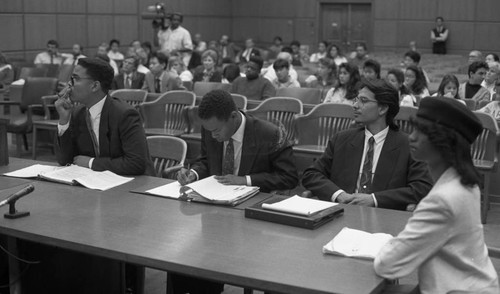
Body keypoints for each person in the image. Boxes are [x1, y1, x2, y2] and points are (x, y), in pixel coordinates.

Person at [174, 89, 298, 294]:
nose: (213, 136)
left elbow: (289, 177)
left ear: (233, 117)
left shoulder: (271, 133)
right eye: (209, 131)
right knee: (184, 263)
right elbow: (206, 159)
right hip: (213, 215)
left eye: (216, 131)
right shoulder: (210, 127)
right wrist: (194, 173)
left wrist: (246, 180)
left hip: (253, 220)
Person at [374, 97, 499, 293]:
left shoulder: (444, 198)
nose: (411, 137)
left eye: (421, 132)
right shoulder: (465, 182)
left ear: (444, 141)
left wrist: (391, 244)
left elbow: (388, 264)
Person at [302, 79, 432, 210]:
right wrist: (339, 195)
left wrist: (374, 199)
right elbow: (311, 174)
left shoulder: (408, 146)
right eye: (356, 99)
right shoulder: (341, 139)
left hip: (384, 219)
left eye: (363, 101)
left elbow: (422, 188)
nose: (355, 105)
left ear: (382, 109)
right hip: (341, 214)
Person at [55, 57, 154, 176]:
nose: (69, 84)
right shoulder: (78, 113)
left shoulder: (125, 114)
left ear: (95, 86)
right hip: (97, 183)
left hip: (134, 185)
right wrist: (64, 120)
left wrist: (91, 163)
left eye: (75, 79)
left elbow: (136, 163)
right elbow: (65, 160)